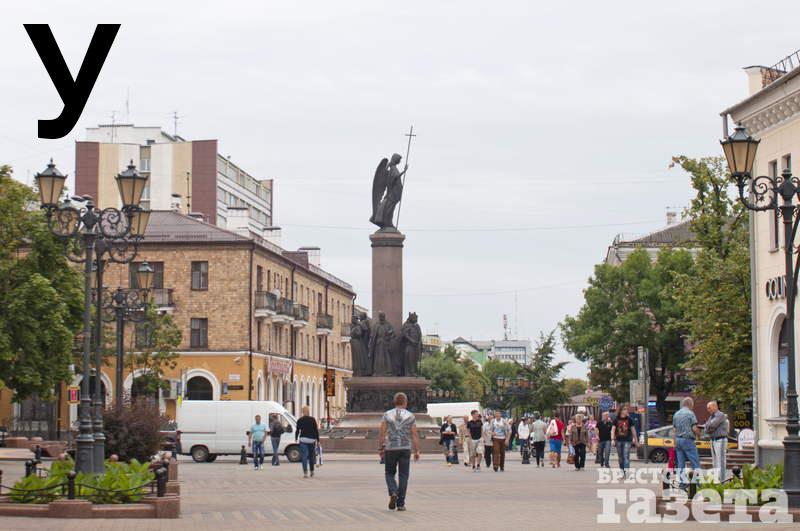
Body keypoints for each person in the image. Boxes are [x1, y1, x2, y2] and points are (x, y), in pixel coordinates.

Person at [378, 392, 420, 512]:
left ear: (394, 402)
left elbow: (382, 433)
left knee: (389, 473)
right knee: (403, 475)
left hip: (391, 448)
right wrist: (417, 450)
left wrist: (381, 448)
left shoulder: (387, 415)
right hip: (405, 448)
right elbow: (414, 434)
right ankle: (401, 503)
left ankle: (393, 491)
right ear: (405, 402)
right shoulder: (410, 416)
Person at [672, 397, 701, 489]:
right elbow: (694, 428)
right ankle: (698, 482)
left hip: (678, 440)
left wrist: (674, 443)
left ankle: (682, 483)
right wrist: (699, 434)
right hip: (688, 440)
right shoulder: (690, 414)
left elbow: (674, 430)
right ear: (690, 404)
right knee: (694, 461)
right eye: (692, 405)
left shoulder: (676, 414)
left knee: (680, 463)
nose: (693, 407)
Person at [704, 400, 729, 481]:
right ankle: (716, 480)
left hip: (720, 440)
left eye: (709, 408)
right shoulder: (711, 416)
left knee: (720, 462)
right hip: (713, 440)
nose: (708, 410)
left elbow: (712, 425)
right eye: (707, 408)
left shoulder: (720, 415)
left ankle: (722, 481)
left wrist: (708, 426)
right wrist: (708, 426)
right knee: (714, 462)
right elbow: (706, 429)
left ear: (715, 406)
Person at [611, 404, 638, 474]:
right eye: (625, 409)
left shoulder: (629, 419)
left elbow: (633, 430)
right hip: (618, 440)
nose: (626, 411)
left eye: (626, 409)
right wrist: (612, 439)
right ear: (621, 411)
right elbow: (613, 430)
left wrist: (635, 440)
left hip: (627, 440)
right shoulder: (616, 419)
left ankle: (626, 471)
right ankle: (622, 470)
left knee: (626, 456)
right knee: (620, 457)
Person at [295, 406, 320, 478]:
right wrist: (318, 440)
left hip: (303, 439)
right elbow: (316, 430)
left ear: (302, 412)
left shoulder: (300, 420)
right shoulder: (312, 419)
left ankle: (305, 472)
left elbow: (297, 430)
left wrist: (296, 438)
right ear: (308, 411)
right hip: (311, 440)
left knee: (304, 456)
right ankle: (312, 471)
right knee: (311, 456)